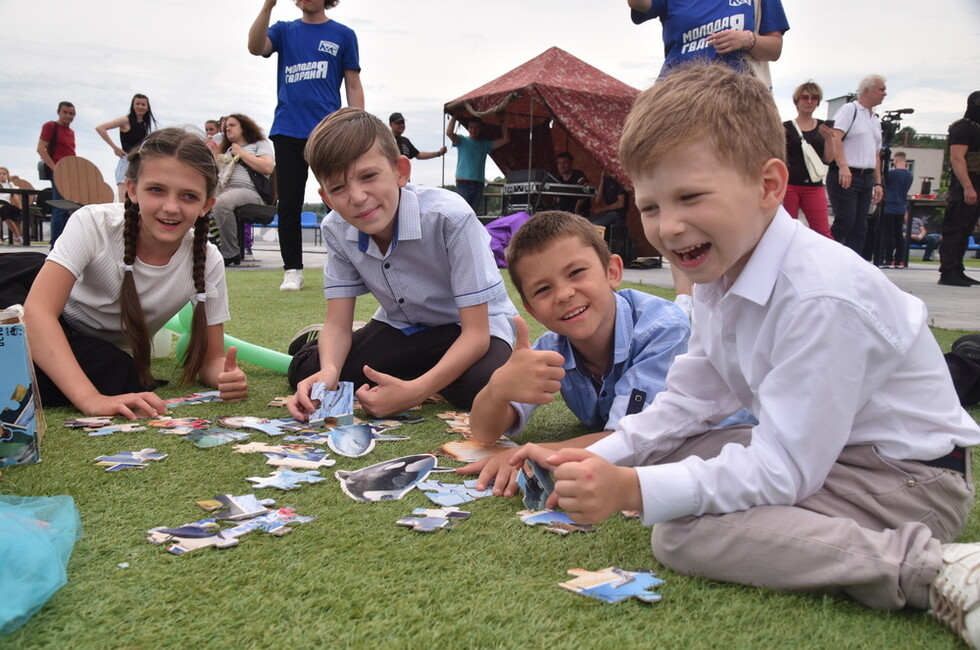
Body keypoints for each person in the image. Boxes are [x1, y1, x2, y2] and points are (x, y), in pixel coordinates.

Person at [512, 64, 980, 647]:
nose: (668, 226)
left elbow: (786, 470)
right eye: (651, 205)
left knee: (682, 536)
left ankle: (935, 569)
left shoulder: (818, 293)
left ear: (768, 185)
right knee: (668, 454)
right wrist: (597, 458)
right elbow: (689, 402)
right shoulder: (718, 275)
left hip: (906, 482)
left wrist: (630, 490)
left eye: (690, 197)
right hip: (830, 456)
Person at [286, 108, 518, 420]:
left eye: (368, 176)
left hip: (469, 328)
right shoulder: (336, 228)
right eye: (338, 188)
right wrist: (329, 370)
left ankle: (410, 368)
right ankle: (392, 356)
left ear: (400, 171)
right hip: (405, 327)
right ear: (326, 197)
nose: (357, 197)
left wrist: (414, 392)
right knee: (305, 369)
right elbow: (337, 323)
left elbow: (476, 335)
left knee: (478, 386)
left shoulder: (449, 217)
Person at [2, 128, 248, 419]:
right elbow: (38, 313)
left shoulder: (209, 260)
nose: (171, 207)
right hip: (22, 294)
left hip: (92, 347)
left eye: (189, 196)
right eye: (156, 189)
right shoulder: (94, 223)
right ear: (132, 189)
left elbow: (212, 358)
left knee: (120, 374)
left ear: (207, 205)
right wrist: (90, 399)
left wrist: (224, 376)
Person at [460, 210, 691, 494]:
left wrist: (535, 452)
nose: (564, 294)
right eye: (543, 289)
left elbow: (629, 441)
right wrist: (497, 389)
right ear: (532, 311)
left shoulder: (662, 329)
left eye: (576, 273)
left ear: (612, 272)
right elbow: (484, 433)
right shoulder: (551, 347)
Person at [248, 0, 364, 292]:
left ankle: (357, 265)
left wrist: (359, 124)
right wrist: (267, 6)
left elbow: (352, 83)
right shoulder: (284, 30)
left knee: (344, 198)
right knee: (289, 203)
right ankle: (292, 270)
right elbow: (255, 46)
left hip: (328, 132)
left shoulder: (343, 34)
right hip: (287, 130)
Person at [627, 0, 789, 79]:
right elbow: (637, 2)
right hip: (676, 92)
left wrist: (747, 39)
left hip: (736, 93)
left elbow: (775, 49)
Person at [827, 75, 887, 256]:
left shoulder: (875, 119)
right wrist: (843, 166)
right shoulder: (850, 110)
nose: (885, 93)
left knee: (861, 226)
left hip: (866, 176)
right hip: (847, 173)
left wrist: (878, 182)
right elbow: (835, 136)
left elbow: (876, 153)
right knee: (846, 221)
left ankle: (853, 266)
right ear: (867, 90)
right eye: (881, 89)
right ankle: (826, 256)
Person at [210, 114, 275, 266]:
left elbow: (268, 167)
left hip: (251, 191)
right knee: (198, 201)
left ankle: (229, 253)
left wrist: (242, 153)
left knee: (220, 203)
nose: (227, 128)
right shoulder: (226, 151)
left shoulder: (259, 144)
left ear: (244, 127)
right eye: (226, 127)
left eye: (232, 125)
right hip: (226, 190)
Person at [937, 91, 980, 287]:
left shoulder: (976, 128)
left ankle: (958, 269)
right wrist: (967, 187)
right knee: (955, 229)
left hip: (975, 185)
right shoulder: (962, 128)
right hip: (964, 185)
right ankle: (948, 271)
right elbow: (957, 158)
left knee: (966, 229)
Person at [782, 81, 834, 238]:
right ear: (796, 101)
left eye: (814, 98)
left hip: (814, 186)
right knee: (787, 230)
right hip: (789, 185)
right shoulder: (785, 127)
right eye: (805, 97)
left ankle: (824, 261)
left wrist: (829, 139)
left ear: (818, 102)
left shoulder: (823, 127)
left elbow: (829, 158)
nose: (809, 101)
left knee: (823, 231)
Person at [95, 94, 157, 201]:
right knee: (123, 202)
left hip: (138, 162)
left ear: (147, 108)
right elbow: (100, 128)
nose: (140, 107)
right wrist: (115, 148)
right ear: (133, 106)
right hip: (126, 161)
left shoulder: (144, 125)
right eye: (137, 104)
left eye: (143, 104)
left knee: (136, 200)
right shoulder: (126, 120)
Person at [446, 115, 509, 215]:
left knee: (472, 215)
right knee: (461, 213)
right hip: (463, 183)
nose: (473, 130)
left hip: (478, 184)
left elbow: (505, 140)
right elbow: (449, 133)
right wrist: (455, 116)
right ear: (468, 128)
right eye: (471, 127)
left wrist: (502, 122)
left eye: (476, 128)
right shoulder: (462, 141)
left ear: (480, 129)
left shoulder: (485, 144)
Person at [36, 101, 77, 247]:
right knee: (60, 206)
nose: (68, 116)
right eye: (65, 112)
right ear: (59, 112)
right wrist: (54, 167)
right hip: (58, 171)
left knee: (70, 207)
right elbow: (41, 148)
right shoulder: (50, 126)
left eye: (71, 113)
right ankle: (55, 244)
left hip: (70, 171)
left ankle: (66, 241)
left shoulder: (71, 132)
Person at [878, 151, 915, 268]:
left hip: (890, 205)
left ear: (896, 160)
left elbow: (885, 185)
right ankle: (899, 259)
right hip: (902, 206)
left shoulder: (892, 173)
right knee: (899, 234)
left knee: (889, 234)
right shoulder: (910, 175)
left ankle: (888, 258)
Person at [551, 152, 590, 217]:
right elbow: (557, 200)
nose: (562, 165)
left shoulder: (578, 175)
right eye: (559, 163)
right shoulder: (558, 180)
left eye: (565, 162)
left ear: (571, 163)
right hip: (564, 215)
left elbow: (586, 191)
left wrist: (577, 209)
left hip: (579, 215)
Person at [0, 167, 24, 245]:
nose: (2, 175)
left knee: (8, 219)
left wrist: (20, 206)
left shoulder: (10, 184)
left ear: (7, 175)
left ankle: (17, 236)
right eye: (0, 174)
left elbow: (15, 196)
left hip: (6, 204)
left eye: (4, 174)